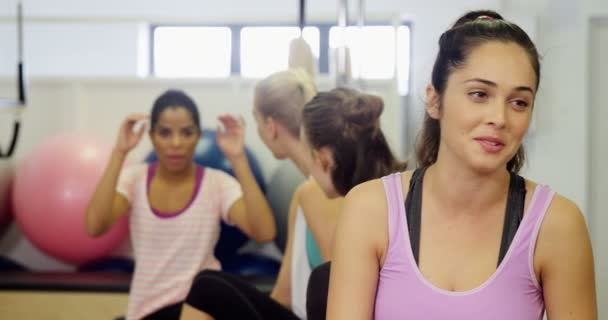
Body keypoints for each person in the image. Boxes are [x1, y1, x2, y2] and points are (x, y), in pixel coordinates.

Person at [326, 10, 597, 320]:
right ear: (434, 100)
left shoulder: (557, 224)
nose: (500, 117)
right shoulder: (370, 210)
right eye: (479, 94)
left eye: (519, 102)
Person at [180, 87, 406, 320]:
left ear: (323, 160)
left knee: (324, 282)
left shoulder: (325, 197)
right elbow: (284, 295)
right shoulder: (381, 190)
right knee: (208, 286)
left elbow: (341, 298)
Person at [85, 89, 276, 320]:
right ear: (152, 136)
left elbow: (264, 232)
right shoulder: (134, 179)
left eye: (186, 133)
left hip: (199, 307)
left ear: (198, 135)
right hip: (146, 311)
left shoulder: (217, 183)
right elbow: (95, 226)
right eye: (165, 133)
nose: (176, 143)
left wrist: (238, 159)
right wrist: (119, 152)